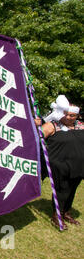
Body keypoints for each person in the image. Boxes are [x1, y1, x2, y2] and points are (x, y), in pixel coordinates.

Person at [40, 98, 83, 230]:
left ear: (77, 116)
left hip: (78, 165)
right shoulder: (52, 125)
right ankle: (56, 215)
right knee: (62, 189)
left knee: (72, 189)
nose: (69, 117)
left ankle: (66, 212)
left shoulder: (81, 125)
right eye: (67, 114)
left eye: (72, 115)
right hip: (59, 164)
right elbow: (35, 137)